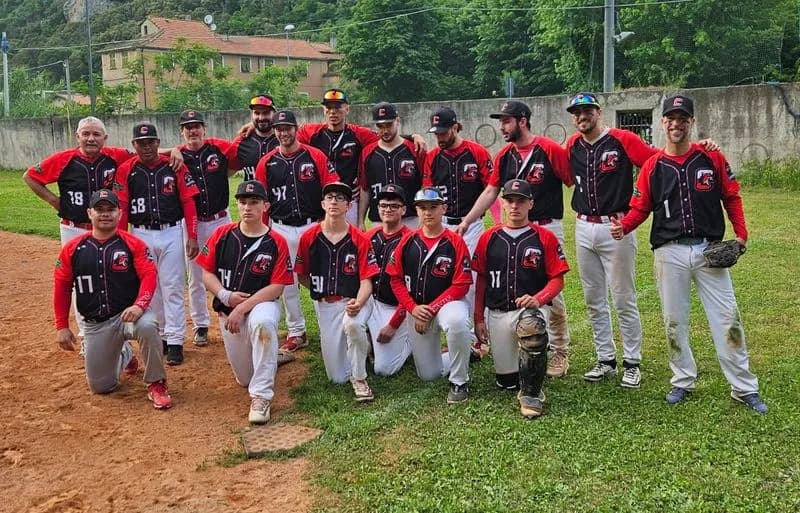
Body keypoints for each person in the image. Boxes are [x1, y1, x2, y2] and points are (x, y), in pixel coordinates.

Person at [610, 94, 767, 413]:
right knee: (674, 322)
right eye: (671, 118)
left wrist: (741, 234)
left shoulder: (711, 157)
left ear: (692, 122)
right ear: (663, 122)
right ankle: (682, 379)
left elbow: (731, 197)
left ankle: (743, 386)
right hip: (669, 252)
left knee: (727, 319)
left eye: (683, 118)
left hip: (710, 250)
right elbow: (641, 207)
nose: (676, 124)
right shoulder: (653, 166)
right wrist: (624, 226)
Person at [23, 116, 182, 348]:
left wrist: (174, 150)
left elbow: (145, 151)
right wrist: (55, 202)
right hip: (74, 227)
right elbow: (30, 176)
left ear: (104, 138)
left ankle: (120, 336)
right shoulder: (64, 159)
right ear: (77, 137)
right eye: (86, 133)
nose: (91, 138)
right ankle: (87, 336)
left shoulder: (114, 156)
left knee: (115, 277)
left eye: (96, 134)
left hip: (108, 228)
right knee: (81, 281)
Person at [472, 100, 575, 377]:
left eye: (506, 121)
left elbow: (572, 179)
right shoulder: (505, 154)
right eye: (501, 121)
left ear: (522, 121)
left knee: (552, 293)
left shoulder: (549, 149)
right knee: (513, 281)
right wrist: (468, 221)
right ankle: (520, 338)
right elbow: (492, 191)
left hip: (545, 226)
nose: (502, 127)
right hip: (512, 229)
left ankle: (560, 351)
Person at [53, 188, 172, 409]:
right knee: (101, 387)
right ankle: (125, 354)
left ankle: (156, 382)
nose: (105, 214)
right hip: (96, 324)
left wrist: (140, 305)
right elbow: (61, 286)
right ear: (90, 213)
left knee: (148, 325)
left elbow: (149, 275)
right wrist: (62, 326)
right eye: (100, 209)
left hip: (129, 315)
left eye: (111, 209)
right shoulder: (73, 248)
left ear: (119, 213)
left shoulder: (132, 244)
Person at [565, 92, 652, 388]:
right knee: (593, 299)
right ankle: (605, 359)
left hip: (616, 226)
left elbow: (655, 164)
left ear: (598, 112)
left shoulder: (621, 139)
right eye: (576, 113)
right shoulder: (573, 145)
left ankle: (632, 362)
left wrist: (635, 206)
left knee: (623, 297)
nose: (581, 117)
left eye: (586, 111)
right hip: (583, 225)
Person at [196, 180, 295, 423]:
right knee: (244, 379)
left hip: (261, 304)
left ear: (265, 206)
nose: (247, 207)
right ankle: (271, 358)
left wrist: (241, 306)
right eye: (242, 202)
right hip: (228, 309)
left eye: (254, 202)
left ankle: (261, 398)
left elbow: (277, 286)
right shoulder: (222, 234)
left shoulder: (276, 241)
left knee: (262, 325)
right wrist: (225, 296)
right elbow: (205, 273)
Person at [473, 179, 570, 418]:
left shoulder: (544, 237)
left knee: (532, 327)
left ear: (531, 204)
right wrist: (478, 318)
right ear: (502, 203)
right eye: (510, 200)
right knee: (507, 382)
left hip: (529, 310)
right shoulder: (489, 237)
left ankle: (532, 395)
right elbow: (482, 279)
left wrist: (538, 299)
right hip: (497, 312)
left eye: (521, 201)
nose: (515, 206)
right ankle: (521, 366)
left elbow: (558, 280)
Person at [114, 122, 200, 366]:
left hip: (171, 230)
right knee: (151, 289)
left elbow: (189, 202)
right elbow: (122, 207)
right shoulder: (126, 170)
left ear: (158, 142)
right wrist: (122, 240)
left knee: (172, 285)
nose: (147, 146)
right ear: (134, 145)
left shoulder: (173, 166)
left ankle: (175, 340)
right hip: (140, 233)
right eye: (141, 142)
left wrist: (192, 236)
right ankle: (161, 335)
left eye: (151, 141)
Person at [254, 110, 340, 354]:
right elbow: (262, 200)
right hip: (281, 227)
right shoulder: (267, 162)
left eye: (287, 128)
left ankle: (328, 328)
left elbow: (332, 187)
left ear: (296, 128)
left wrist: (329, 222)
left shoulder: (315, 156)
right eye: (279, 129)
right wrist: (264, 231)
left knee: (320, 279)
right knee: (287, 282)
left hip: (314, 225)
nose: (283, 133)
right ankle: (296, 331)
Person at [386, 187, 473, 404]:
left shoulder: (455, 241)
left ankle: (459, 381)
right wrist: (414, 309)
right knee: (429, 375)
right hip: (416, 308)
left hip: (446, 304)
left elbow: (461, 285)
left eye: (433, 207)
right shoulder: (407, 241)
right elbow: (395, 279)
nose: (428, 212)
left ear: (443, 208)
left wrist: (431, 309)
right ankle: (464, 352)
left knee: (457, 321)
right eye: (423, 208)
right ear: (416, 210)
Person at [295, 182, 379, 401]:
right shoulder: (309, 237)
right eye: (330, 197)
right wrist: (320, 289)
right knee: (337, 377)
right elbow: (302, 273)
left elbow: (367, 280)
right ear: (323, 203)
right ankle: (366, 344)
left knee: (353, 324)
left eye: (340, 198)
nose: (334, 201)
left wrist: (358, 303)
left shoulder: (359, 238)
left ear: (348, 206)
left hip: (354, 298)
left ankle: (360, 379)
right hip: (325, 304)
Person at [177, 109, 239, 346]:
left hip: (221, 219)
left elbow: (240, 151)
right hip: (192, 223)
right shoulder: (177, 155)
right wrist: (171, 150)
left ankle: (229, 314)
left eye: (196, 125)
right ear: (181, 132)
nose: (193, 130)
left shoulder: (217, 148)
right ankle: (201, 325)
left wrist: (247, 129)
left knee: (228, 270)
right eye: (187, 126)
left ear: (204, 128)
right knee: (195, 276)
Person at [365, 184, 413, 376]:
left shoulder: (411, 240)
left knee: (384, 369)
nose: (388, 209)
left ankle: (412, 342)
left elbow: (413, 290)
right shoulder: (368, 237)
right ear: (377, 209)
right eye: (384, 205)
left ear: (403, 209)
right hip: (372, 301)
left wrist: (393, 324)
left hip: (398, 307)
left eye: (394, 206)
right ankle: (368, 339)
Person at [359, 102, 424, 230]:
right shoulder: (367, 152)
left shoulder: (414, 149)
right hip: (379, 220)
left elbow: (424, 184)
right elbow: (365, 188)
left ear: (397, 121)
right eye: (380, 126)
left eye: (389, 125)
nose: (385, 130)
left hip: (411, 219)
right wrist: (361, 220)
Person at [229, 94, 279, 181]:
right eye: (257, 113)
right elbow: (227, 172)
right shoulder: (241, 141)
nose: (261, 117)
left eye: (266, 113)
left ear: (274, 113)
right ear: (252, 114)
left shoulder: (284, 139)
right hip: (251, 194)